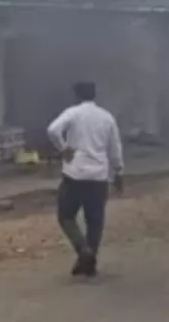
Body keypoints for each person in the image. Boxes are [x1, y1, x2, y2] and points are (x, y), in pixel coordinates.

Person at [47, 81, 124, 277]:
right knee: (95, 221)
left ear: (76, 95)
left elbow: (53, 130)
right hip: (99, 176)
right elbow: (115, 148)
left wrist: (63, 148)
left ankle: (83, 251)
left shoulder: (73, 113)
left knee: (66, 216)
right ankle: (89, 263)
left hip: (75, 174)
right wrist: (118, 172)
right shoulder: (106, 117)